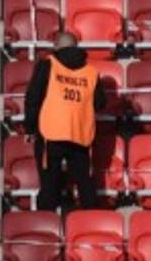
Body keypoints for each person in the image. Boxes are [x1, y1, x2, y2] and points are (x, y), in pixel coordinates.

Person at [23, 31, 106, 211]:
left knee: (49, 183)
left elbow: (33, 98)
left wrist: (29, 128)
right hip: (80, 134)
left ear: (56, 46)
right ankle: (92, 221)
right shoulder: (91, 72)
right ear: (76, 46)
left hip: (51, 133)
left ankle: (47, 222)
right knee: (85, 184)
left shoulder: (47, 65)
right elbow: (100, 103)